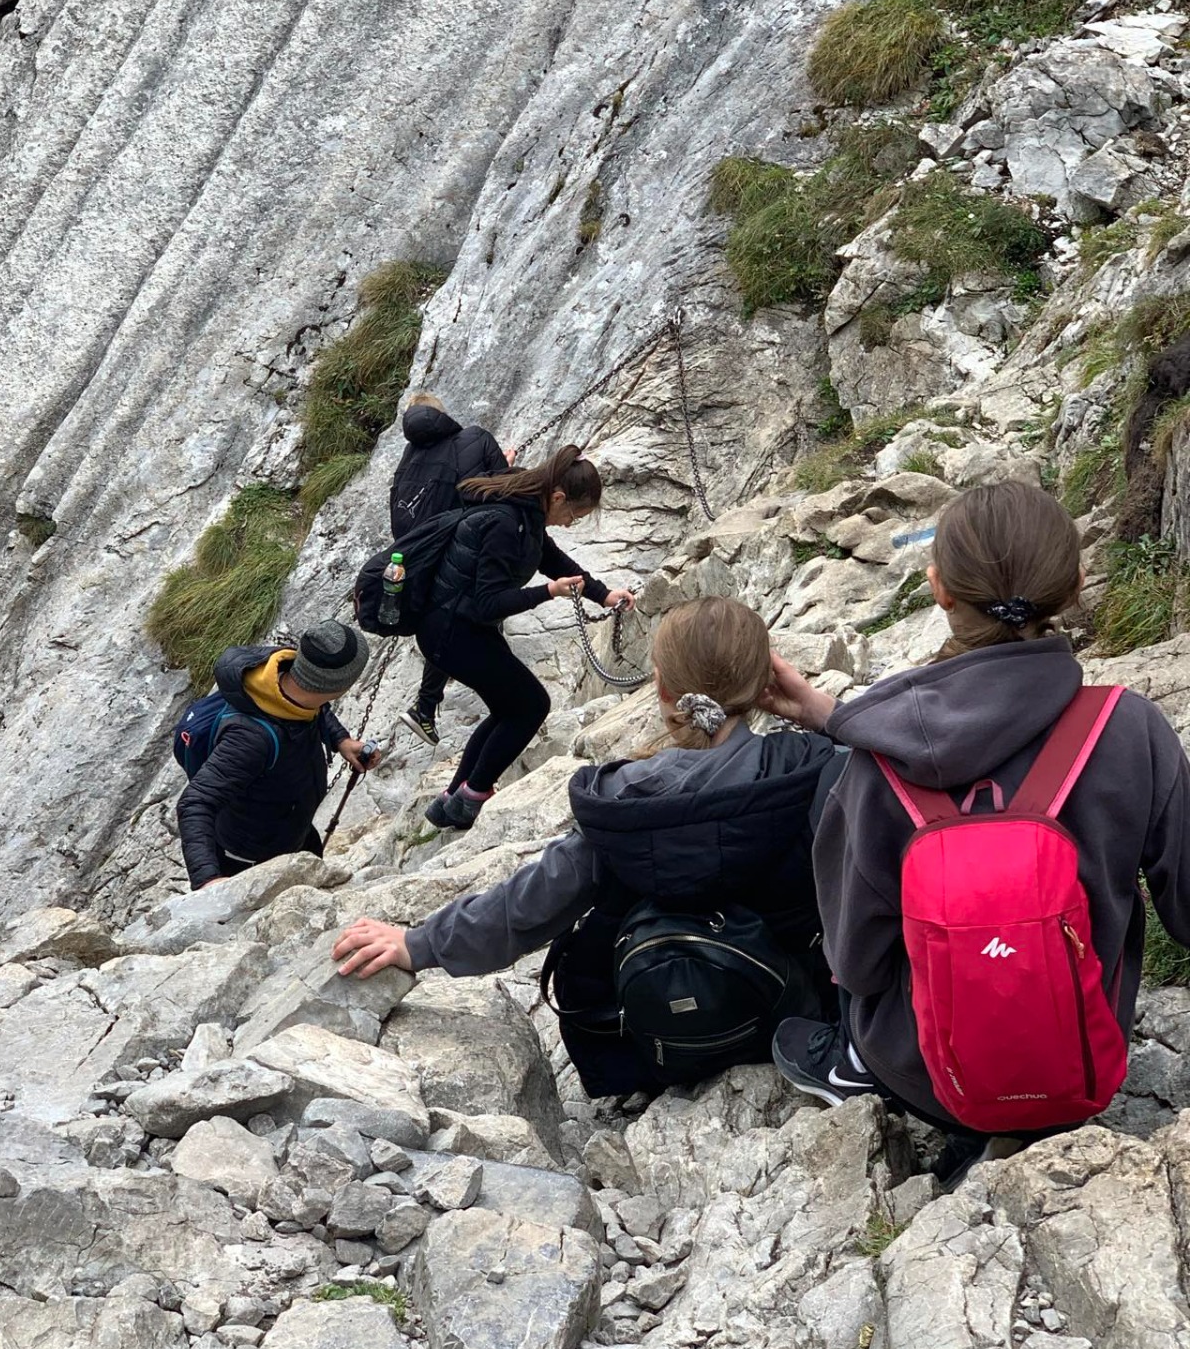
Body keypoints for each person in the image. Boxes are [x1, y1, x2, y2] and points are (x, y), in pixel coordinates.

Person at [762, 480, 1190, 1147]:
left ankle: (852, 1068)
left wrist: (846, 727)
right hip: (1079, 1068)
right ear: (1076, 585)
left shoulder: (873, 772)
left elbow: (858, 965)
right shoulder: (1132, 730)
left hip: (927, 1082)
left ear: (938, 589)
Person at [333, 595, 844, 1095]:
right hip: (790, 1013)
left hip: (650, 1037)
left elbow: (532, 901)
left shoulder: (626, 802)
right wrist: (826, 716)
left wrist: (419, 944)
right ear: (764, 685)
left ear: (662, 688)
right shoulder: (813, 767)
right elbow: (889, 764)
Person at [412, 442, 635, 831]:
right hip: (451, 630)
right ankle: (472, 796)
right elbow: (488, 603)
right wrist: (548, 593)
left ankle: (451, 801)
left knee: (509, 707)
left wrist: (603, 594)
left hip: (458, 627)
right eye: (574, 514)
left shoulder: (527, 512)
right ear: (558, 497)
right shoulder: (506, 522)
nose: (570, 523)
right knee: (531, 705)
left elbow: (552, 559)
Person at [177, 620, 382, 888]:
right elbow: (195, 802)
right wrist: (207, 879)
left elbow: (316, 707)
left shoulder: (288, 678)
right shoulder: (251, 739)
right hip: (249, 861)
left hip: (293, 832)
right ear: (340, 685)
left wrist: (342, 741)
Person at [389, 392, 511, 748]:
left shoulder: (408, 459)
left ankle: (427, 708)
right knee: (474, 619)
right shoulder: (476, 438)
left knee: (452, 623)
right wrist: (504, 466)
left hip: (422, 557)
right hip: (466, 553)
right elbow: (503, 492)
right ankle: (506, 702)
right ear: (442, 416)